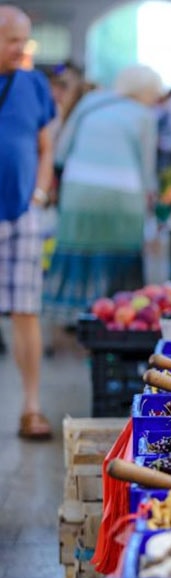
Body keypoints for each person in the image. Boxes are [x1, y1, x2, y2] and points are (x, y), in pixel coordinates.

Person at [43, 65, 160, 325]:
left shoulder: (90, 103)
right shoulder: (144, 116)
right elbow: (147, 168)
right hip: (123, 196)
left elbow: (61, 152)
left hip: (78, 192)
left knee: (79, 252)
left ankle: (73, 317)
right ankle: (117, 320)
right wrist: (152, 203)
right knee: (121, 260)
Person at [0, 4, 57, 439]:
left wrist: (38, 194)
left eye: (24, 39)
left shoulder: (34, 84)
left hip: (22, 214)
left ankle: (32, 406)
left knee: (26, 311)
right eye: (12, 39)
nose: (22, 49)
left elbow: (45, 146)